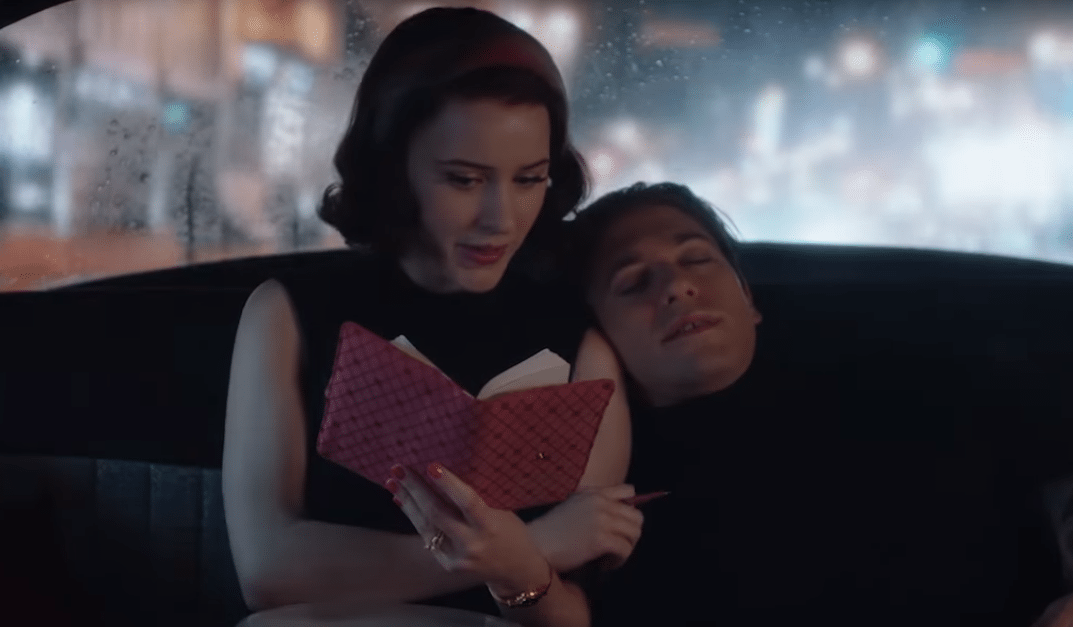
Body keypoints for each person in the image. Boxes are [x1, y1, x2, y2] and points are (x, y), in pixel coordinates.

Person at [222, 8, 643, 627]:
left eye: (529, 180)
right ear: (394, 169)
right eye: (465, 180)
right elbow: (267, 572)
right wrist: (531, 549)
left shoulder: (579, 343)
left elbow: (571, 617)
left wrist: (520, 569)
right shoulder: (287, 314)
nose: (501, 218)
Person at [567, 181, 1061, 626]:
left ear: (749, 297)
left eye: (696, 258)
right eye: (633, 283)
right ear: (598, 337)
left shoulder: (911, 382)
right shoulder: (607, 514)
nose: (676, 286)